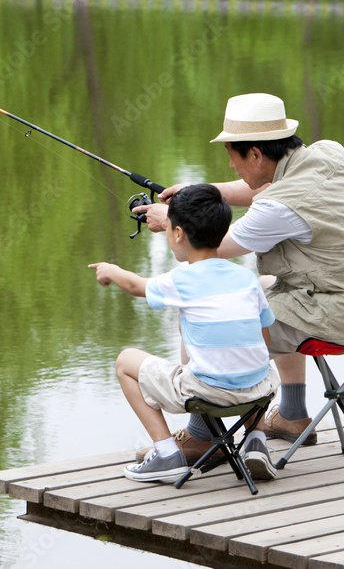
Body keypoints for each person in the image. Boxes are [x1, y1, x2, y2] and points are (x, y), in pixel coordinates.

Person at [133, 92, 344, 457]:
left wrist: (172, 220)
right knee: (265, 289)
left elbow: (206, 247)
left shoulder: (277, 207)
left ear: (255, 154)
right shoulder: (329, 153)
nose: (231, 167)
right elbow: (260, 189)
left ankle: (204, 436)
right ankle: (292, 414)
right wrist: (199, 193)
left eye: (232, 156)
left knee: (208, 307)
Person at [89, 183, 279, 483]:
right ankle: (256, 440)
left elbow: (136, 285)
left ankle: (166, 453)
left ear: (178, 234)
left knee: (126, 361)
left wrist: (110, 270)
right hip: (259, 393)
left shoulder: (182, 280)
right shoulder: (246, 278)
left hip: (209, 394)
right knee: (253, 358)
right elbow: (266, 341)